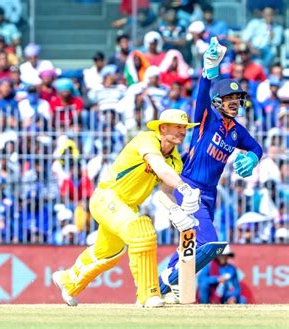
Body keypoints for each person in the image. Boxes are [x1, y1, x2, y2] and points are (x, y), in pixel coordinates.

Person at [53, 109, 201, 308]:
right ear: (163, 127)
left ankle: (68, 281)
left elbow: (164, 193)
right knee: (142, 233)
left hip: (126, 206)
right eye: (178, 127)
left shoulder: (175, 161)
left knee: (107, 253)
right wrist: (184, 187)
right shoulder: (146, 139)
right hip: (107, 197)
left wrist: (176, 211)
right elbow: (159, 166)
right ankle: (148, 295)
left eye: (184, 128)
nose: (182, 132)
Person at [159, 38, 263, 301]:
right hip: (188, 185)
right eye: (229, 98)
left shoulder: (237, 131)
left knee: (193, 239)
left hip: (210, 193)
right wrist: (210, 68)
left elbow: (257, 148)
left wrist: (251, 158)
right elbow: (202, 91)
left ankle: (165, 279)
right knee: (210, 242)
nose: (234, 103)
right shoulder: (207, 118)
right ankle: (172, 278)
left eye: (237, 99)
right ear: (217, 101)